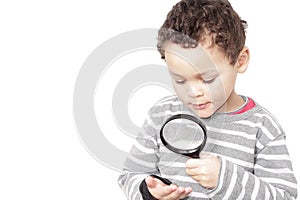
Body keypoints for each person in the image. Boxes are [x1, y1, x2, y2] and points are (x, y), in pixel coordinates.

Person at [118, 0, 298, 199]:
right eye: (179, 79)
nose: (194, 92)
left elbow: (285, 197)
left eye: (208, 79)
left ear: (240, 60)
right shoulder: (161, 114)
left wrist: (226, 179)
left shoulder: (263, 127)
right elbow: (131, 174)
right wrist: (148, 191)